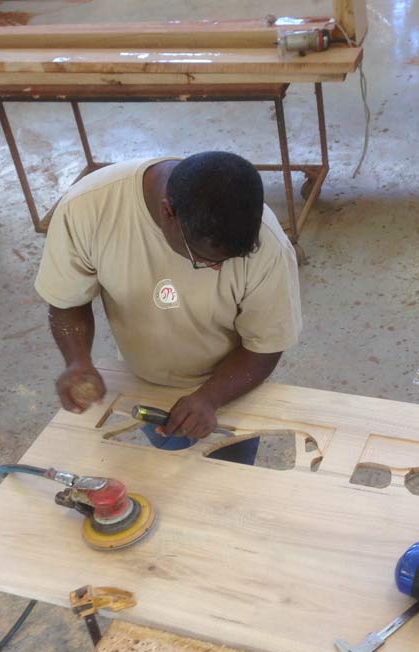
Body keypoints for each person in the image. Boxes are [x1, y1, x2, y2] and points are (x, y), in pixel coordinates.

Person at [34, 152, 302, 464]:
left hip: (232, 384)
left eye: (228, 262)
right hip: (144, 380)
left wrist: (211, 397)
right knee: (174, 467)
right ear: (167, 212)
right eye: (203, 259)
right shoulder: (87, 209)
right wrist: (77, 359)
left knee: (228, 478)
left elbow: (265, 345)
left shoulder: (268, 245)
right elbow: (67, 301)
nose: (217, 270)